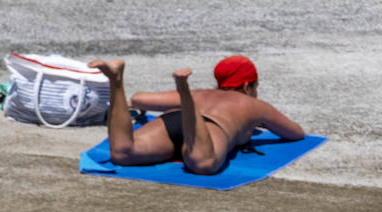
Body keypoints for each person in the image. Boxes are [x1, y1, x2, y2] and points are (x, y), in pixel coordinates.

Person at [87, 55, 304, 175]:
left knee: (123, 153)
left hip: (174, 118)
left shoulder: (202, 93)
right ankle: (183, 90)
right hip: (212, 127)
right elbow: (294, 133)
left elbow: (141, 98)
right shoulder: (253, 105)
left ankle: (116, 81)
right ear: (248, 86)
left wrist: (135, 102)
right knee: (202, 164)